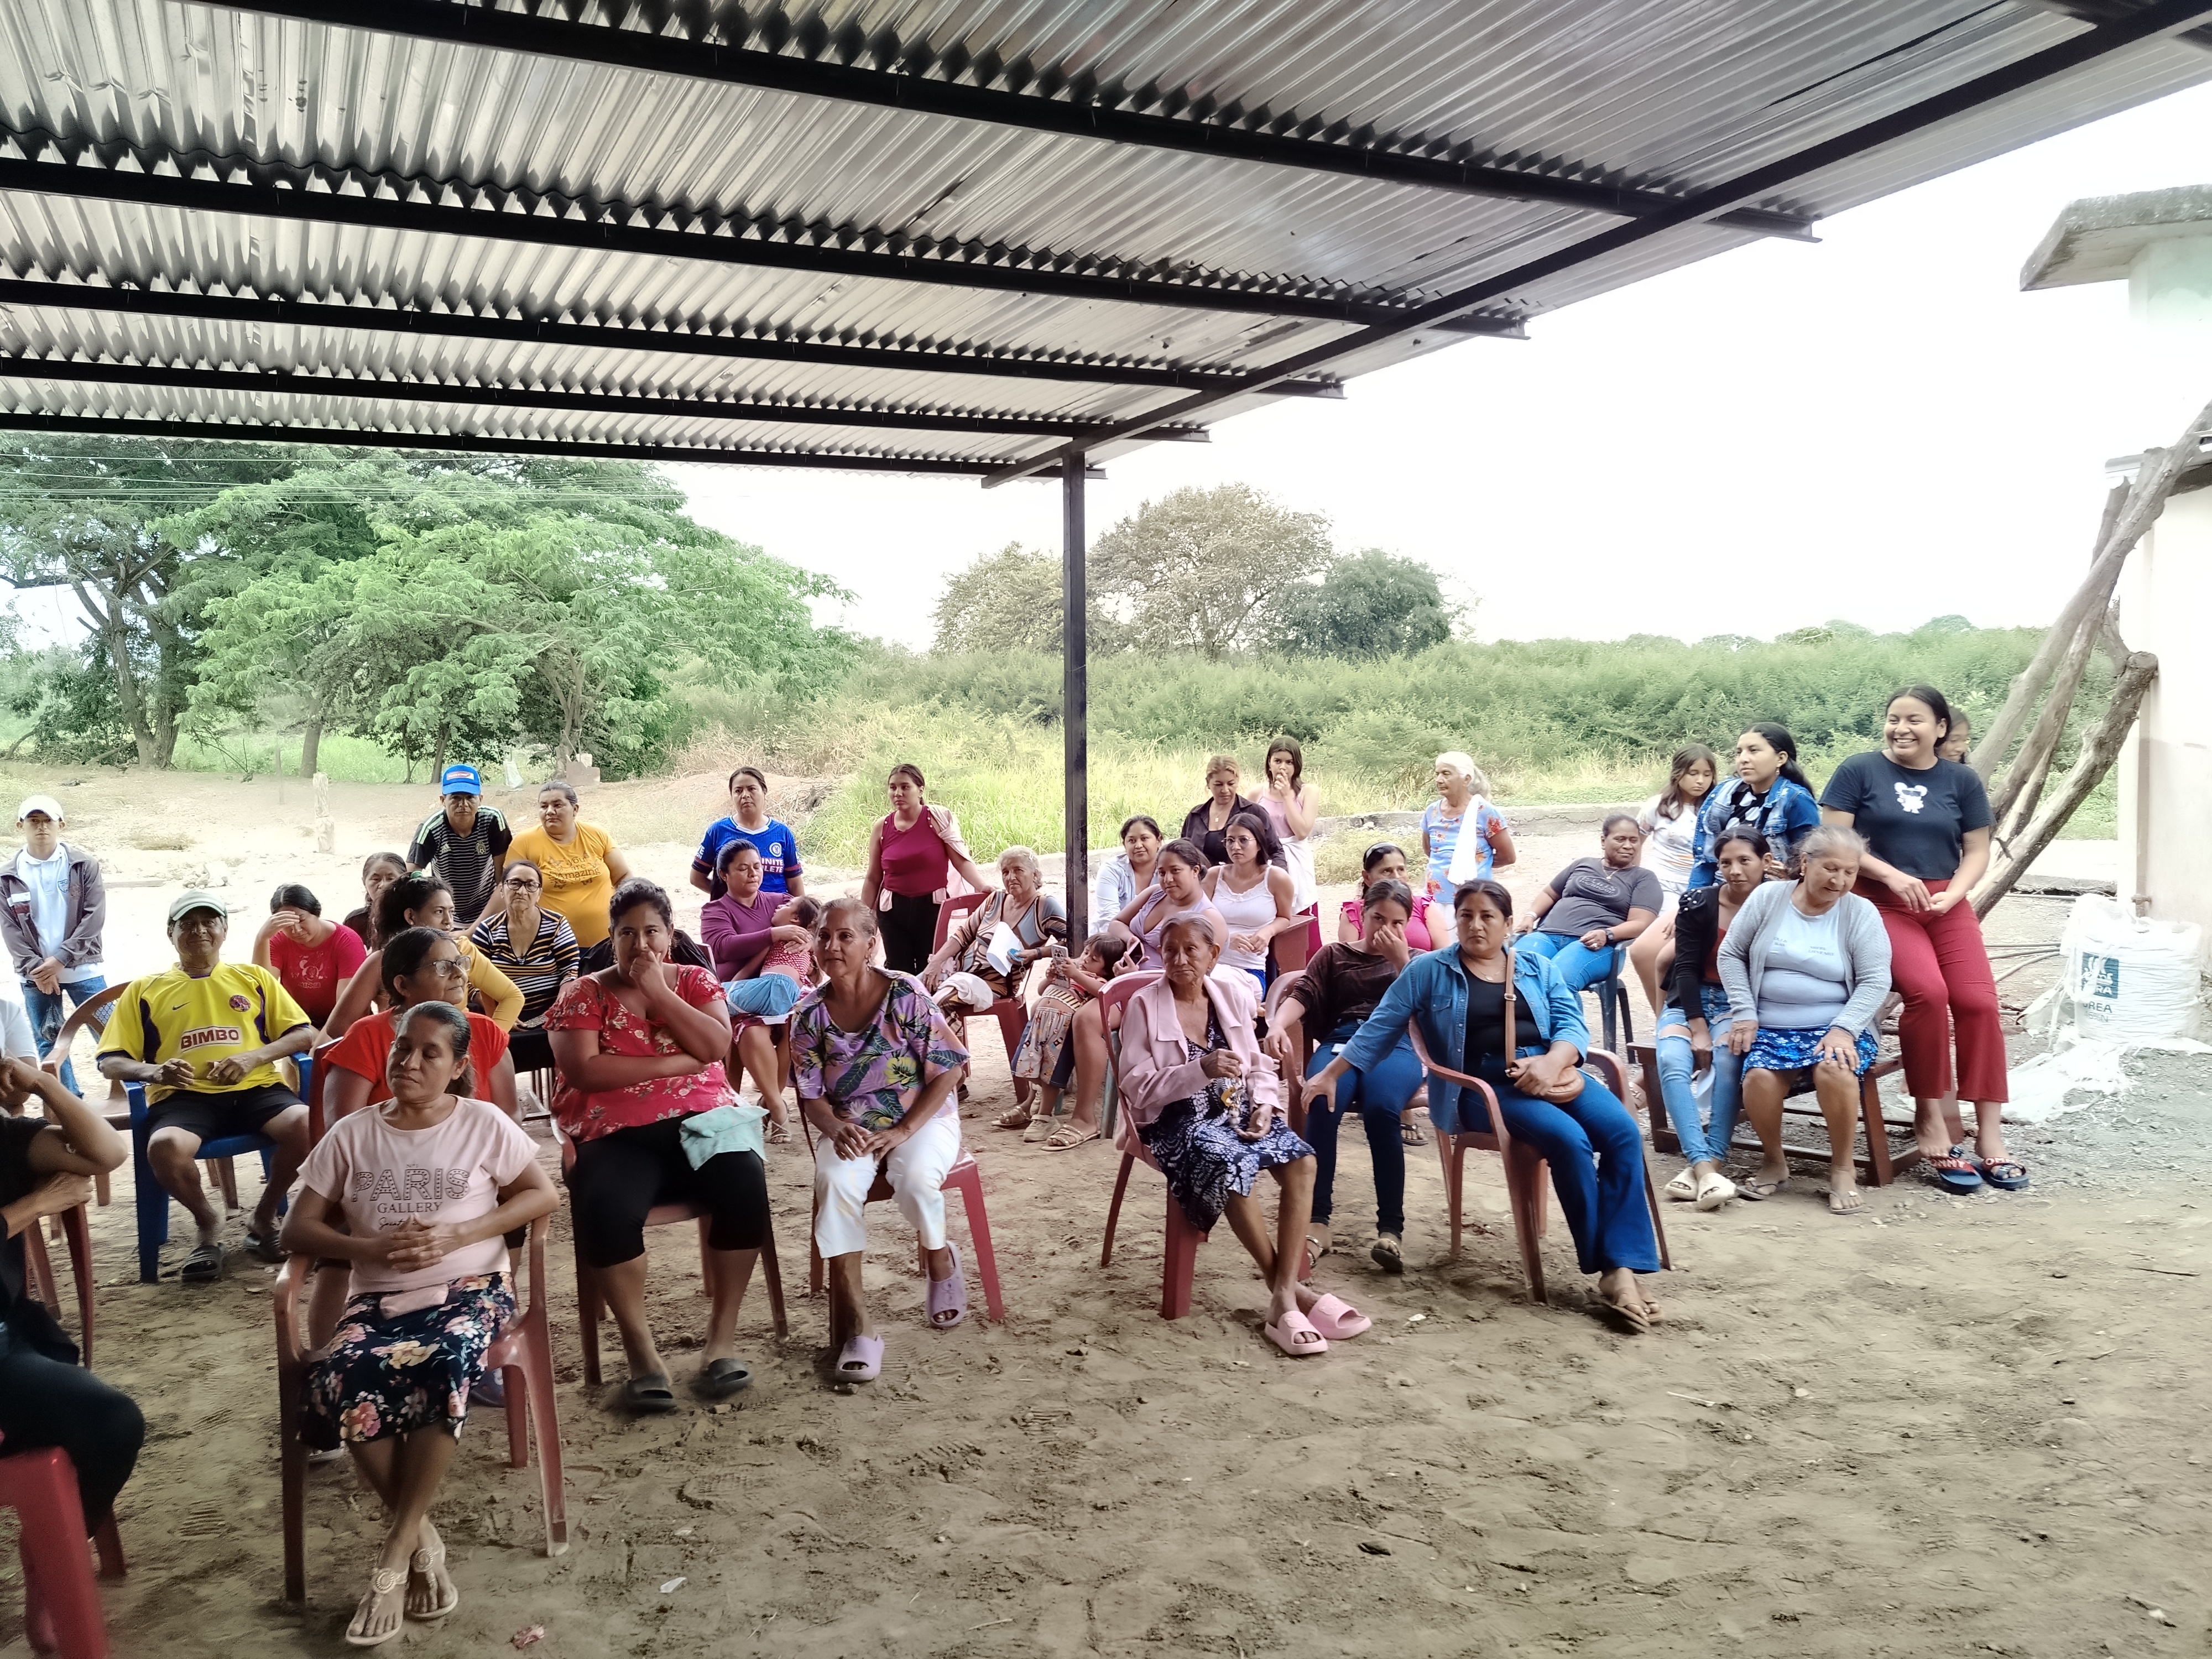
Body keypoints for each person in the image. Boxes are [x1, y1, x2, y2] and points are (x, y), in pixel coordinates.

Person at [280, 1000, 559, 1646]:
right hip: (379, 1294)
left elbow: (541, 1194)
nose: (408, 1061)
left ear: (458, 1066)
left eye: (430, 1053)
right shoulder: (352, 1134)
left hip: (471, 1289)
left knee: (445, 1360)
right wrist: (369, 1248)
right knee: (342, 1373)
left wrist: (462, 1233)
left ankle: (394, 1550)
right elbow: (298, 1228)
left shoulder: (482, 1122)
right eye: (402, 1047)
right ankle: (422, 1537)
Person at [1317, 878, 1662, 1331]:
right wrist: (1330, 1074)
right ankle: (1612, 1271)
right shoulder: (1428, 971)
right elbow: (1379, 1027)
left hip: (1552, 1072)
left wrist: (1551, 1062)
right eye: (1466, 916)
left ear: (1507, 923)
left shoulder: (1537, 966)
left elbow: (1571, 1025)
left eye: (1487, 917)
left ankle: (1622, 1264)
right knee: (1569, 1140)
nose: (1475, 926)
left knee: (1622, 1133)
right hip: (1482, 1090)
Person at [546, 880, 768, 1411]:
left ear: (670, 935)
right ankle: (643, 1356)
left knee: (745, 1184)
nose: (640, 944)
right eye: (627, 933)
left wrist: (661, 994)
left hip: (704, 1125)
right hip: (618, 1135)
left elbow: (716, 1045)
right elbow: (585, 1070)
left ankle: (720, 1342)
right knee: (604, 1205)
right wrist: (676, 1063)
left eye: (651, 932)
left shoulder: (692, 980)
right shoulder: (583, 993)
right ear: (611, 937)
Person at [1116, 916, 1369, 1357]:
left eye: (1191, 950)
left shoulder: (1231, 995)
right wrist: (1199, 1069)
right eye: (1170, 950)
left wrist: (1267, 1105)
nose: (1179, 960)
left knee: (1303, 1161)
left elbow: (1257, 1066)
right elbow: (1135, 1087)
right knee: (1229, 1164)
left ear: (1213, 955)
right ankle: (1289, 1294)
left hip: (1238, 1111)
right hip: (1177, 1121)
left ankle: (1284, 1294)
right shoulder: (1144, 1005)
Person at [1819, 685, 2021, 1192]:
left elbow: (1977, 849)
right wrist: (1891, 875)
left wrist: (1956, 892)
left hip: (1944, 903)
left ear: (1940, 728)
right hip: (1879, 903)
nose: (1901, 728)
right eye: (1894, 718)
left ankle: (1990, 1133)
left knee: (1978, 1002)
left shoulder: (1961, 780)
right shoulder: (1858, 770)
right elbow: (1835, 841)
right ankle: (1930, 1116)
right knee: (1928, 994)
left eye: (1914, 720)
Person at [791, 898, 971, 1383]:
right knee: (835, 1185)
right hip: (852, 1124)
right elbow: (811, 1097)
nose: (832, 945)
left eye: (845, 936)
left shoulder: (904, 993)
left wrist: (904, 1131)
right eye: (824, 936)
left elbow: (948, 1070)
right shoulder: (808, 1014)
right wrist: (835, 1129)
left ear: (871, 944)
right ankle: (860, 1327)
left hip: (920, 1116)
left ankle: (939, 1257)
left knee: (915, 1178)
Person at [96, 891, 314, 1280]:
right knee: (165, 1147)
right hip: (184, 1098)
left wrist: (252, 1058)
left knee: (308, 1125)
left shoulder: (253, 978)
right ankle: (207, 1224)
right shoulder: (146, 989)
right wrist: (155, 1072)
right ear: (170, 933)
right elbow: (110, 1061)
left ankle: (264, 1217)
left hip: (256, 1088)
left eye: (209, 922)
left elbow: (303, 1034)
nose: (199, 931)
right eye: (188, 924)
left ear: (224, 930)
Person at [0, 1057, 142, 1558]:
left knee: (114, 1422)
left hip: (7, 1343)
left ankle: (54, 1553)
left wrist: (43, 1083)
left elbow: (108, 1153)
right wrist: (35, 1206)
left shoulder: (5, 1139)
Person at [1718, 826, 1895, 1214]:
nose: (1840, 880)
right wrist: (1744, 1012)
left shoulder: (1860, 913)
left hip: (1840, 1024)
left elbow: (1876, 979)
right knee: (1760, 1078)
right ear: (1804, 862)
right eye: (1831, 868)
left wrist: (1844, 1030)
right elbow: (1731, 953)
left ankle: (1843, 1168)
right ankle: (1774, 1161)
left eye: (1850, 872)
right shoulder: (1768, 897)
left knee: (1835, 1068)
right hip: (1771, 1023)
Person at [1266, 879, 1422, 1274]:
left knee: (1383, 1109)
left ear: (1408, 924)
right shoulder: (1334, 954)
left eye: (1397, 922)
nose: (1386, 929)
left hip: (1396, 1046)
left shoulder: (1418, 961)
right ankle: (1318, 1220)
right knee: (1321, 1100)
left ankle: (1391, 1229)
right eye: (1378, 918)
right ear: (1362, 914)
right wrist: (1277, 1024)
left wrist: (1401, 962)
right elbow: (1302, 994)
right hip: (1342, 1041)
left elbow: (1428, 1011)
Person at [1033, 841, 1226, 1154]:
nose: (1167, 879)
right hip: (1120, 978)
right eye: (1161, 872)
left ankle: (1085, 1118)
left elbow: (1196, 977)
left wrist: (1136, 977)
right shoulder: (1155, 894)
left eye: (1175, 871)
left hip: (1162, 994)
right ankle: (1039, 1104)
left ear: (1196, 871)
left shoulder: (1208, 918)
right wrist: (1131, 940)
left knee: (1088, 1018)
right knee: (1052, 1003)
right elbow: (1116, 923)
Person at [1653, 828, 1767, 1211]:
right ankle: (1705, 1167)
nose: (1735, 871)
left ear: (1765, 862)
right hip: (1690, 999)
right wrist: (1698, 1028)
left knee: (1728, 1059)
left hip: (1739, 1005)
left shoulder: (1776, 902)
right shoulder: (1699, 902)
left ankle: (1707, 1166)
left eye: (1745, 861)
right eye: (1725, 863)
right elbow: (1685, 968)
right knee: (1671, 1059)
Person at [322, 930, 518, 1123]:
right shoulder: (366, 1036)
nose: (459, 974)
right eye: (443, 967)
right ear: (403, 985)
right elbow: (343, 1128)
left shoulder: (485, 1030)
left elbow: (509, 1115)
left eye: (460, 963)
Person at [327, 874, 525, 1037]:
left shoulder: (463, 950)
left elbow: (512, 996)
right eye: (439, 912)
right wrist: (392, 1053)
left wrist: (487, 1045)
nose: (449, 921)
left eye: (451, 912)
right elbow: (338, 1026)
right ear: (411, 916)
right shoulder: (383, 961)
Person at [1, 796, 107, 1095]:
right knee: (49, 1041)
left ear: (62, 825)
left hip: (84, 968)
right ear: (20, 826)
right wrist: (38, 969)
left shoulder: (83, 865)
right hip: (36, 976)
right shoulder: (7, 876)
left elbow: (93, 917)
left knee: (111, 1033)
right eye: (33, 821)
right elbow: (10, 929)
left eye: (48, 820)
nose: (42, 827)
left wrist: (60, 959)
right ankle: (70, 1106)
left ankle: (135, 1096)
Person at [921, 845, 1067, 1044]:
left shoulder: (1045, 906)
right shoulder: (996, 899)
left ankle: (950, 1062)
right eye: (1006, 872)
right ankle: (911, 1058)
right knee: (908, 994)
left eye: (1018, 870)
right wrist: (936, 962)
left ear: (1035, 875)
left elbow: (1071, 942)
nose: (1011, 877)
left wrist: (1036, 953)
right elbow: (963, 934)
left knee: (940, 1003)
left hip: (993, 984)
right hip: (957, 971)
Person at [858, 764, 988, 976]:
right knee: (899, 973)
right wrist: (861, 916)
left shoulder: (937, 820)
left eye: (905, 787)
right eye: (893, 787)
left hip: (932, 909)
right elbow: (873, 877)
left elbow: (962, 862)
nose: (898, 793)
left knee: (930, 969)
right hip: (892, 911)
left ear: (920, 790)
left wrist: (983, 886)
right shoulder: (882, 827)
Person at [1514, 815, 1663, 993]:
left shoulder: (1644, 878)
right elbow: (1549, 893)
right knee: (1514, 969)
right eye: (1620, 839)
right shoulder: (1583, 864)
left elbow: (1640, 923)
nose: (1628, 846)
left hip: (1595, 946)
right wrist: (1530, 916)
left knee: (1558, 980)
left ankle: (1560, 1013)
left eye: (1634, 840)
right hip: (1547, 936)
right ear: (1603, 841)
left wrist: (1607, 934)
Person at [1007, 935, 1130, 1141]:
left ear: (1106, 970)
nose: (1086, 959)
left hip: (1059, 1032)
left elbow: (1102, 993)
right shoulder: (1072, 972)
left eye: (1094, 959)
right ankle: (1033, 1103)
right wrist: (1050, 978)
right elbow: (1041, 990)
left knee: (1049, 1073)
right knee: (1030, 1068)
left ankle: (1044, 1117)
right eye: (1086, 953)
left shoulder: (1097, 981)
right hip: (1041, 1028)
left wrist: (1077, 975)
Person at [721, 895, 822, 1142]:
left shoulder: (799, 937)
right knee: (747, 1019)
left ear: (796, 919)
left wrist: (810, 942)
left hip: (779, 989)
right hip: (777, 992)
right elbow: (743, 972)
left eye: (787, 906)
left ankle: (773, 1106)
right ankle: (774, 1106)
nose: (779, 906)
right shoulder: (775, 937)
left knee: (710, 997)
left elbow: (819, 940)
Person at [1629, 744, 1719, 1016]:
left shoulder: (1718, 808)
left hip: (1700, 890)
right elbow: (1636, 842)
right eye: (1693, 773)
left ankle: (1685, 1013)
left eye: (1707, 774)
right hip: (1662, 887)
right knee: (1656, 950)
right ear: (1678, 773)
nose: (1700, 781)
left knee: (1685, 955)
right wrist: (1634, 882)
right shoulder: (1659, 806)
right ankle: (1663, 1017)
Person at [468, 860, 579, 1077]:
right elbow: (474, 982)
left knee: (572, 1037)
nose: (522, 891)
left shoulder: (556, 924)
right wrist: (503, 1013)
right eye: (515, 883)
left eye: (530, 885)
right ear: (502, 890)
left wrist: (557, 1009)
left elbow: (570, 972)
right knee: (484, 1044)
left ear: (539, 893)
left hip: (550, 1010)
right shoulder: (487, 930)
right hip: (498, 1012)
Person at [1687, 723, 1821, 890]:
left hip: (1769, 895)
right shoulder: (1724, 793)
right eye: (1739, 752)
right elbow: (1705, 861)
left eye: (1753, 750)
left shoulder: (1795, 799)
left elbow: (1812, 861)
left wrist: (1792, 876)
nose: (1743, 759)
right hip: (1723, 893)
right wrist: (1694, 897)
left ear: (1781, 758)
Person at [508, 782, 633, 952]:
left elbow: (623, 876)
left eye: (557, 805)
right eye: (544, 806)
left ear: (575, 809)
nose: (550, 811)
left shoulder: (597, 835)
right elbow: (509, 890)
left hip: (607, 943)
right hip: (553, 947)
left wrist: (627, 913)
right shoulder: (525, 842)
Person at [1420, 753, 1514, 936]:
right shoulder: (1432, 812)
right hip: (1434, 898)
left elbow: (1508, 856)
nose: (1439, 780)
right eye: (1437, 774)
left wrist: (1474, 864)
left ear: (1466, 779)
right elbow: (1430, 850)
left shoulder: (1485, 812)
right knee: (1437, 948)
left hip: (1473, 899)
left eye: (1446, 774)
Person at [407, 765, 513, 928]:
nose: (463, 804)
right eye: (455, 798)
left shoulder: (493, 820)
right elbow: (410, 875)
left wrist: (475, 928)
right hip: (446, 915)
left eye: (470, 797)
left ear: (480, 799)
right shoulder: (430, 829)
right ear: (443, 800)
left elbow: (503, 879)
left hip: (490, 910)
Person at [253, 884, 367, 1032]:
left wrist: (320, 1040)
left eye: (301, 920)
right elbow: (261, 993)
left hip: (342, 1026)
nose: (296, 930)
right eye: (287, 924)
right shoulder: (277, 940)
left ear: (316, 912)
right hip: (297, 1022)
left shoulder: (346, 941)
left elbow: (347, 1013)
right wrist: (262, 938)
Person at [1202, 812, 1295, 990]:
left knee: (1233, 993)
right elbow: (1198, 920)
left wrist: (1268, 931)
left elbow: (1284, 917)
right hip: (1212, 964)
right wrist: (1226, 940)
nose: (1235, 847)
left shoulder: (1276, 878)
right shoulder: (1214, 876)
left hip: (1250, 968)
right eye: (1230, 841)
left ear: (1259, 843)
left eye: (1243, 840)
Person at [690, 766, 805, 902]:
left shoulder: (782, 833)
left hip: (776, 911)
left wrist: (803, 911)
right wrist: (728, 899)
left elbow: (795, 884)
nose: (745, 795)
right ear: (732, 796)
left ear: (764, 791)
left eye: (752, 789)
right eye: (738, 791)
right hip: (733, 913)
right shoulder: (718, 831)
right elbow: (696, 878)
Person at [1258, 737, 1322, 952]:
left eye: (1289, 762)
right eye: (1278, 761)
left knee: (1302, 918)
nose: (1283, 767)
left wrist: (1287, 796)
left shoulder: (1308, 792)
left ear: (1297, 765)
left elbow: (1302, 831)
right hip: (1267, 860)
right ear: (1269, 763)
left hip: (1296, 858)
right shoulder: (1257, 793)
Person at [1178, 755, 1286, 870]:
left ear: (1237, 781)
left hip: (1245, 879)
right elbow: (1182, 854)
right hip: (1203, 880)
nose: (1225, 790)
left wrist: (1276, 876)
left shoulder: (1255, 812)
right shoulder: (1195, 816)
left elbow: (1276, 851)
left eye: (1231, 784)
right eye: (1218, 784)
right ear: (1208, 783)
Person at [700, 841, 785, 983]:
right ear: (724, 875)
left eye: (757, 867)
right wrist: (774, 935)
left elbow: (816, 926)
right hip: (733, 990)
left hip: (782, 985)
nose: (753, 874)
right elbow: (723, 947)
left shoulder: (783, 903)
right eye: (743, 869)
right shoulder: (715, 911)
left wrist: (810, 945)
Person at [1337, 843, 1436, 953]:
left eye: (1401, 869)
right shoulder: (1354, 911)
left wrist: (1403, 960)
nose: (1396, 877)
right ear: (1367, 877)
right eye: (1387, 871)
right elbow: (1348, 958)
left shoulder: (1424, 906)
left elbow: (1442, 957)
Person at [1091, 815, 1163, 926]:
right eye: (1132, 841)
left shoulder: (1170, 871)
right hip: (1113, 934)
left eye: (1144, 838)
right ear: (1124, 845)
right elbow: (1108, 918)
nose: (1138, 845)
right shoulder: (1112, 870)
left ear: (1158, 841)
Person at [342, 853, 409, 951]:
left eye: (391, 879)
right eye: (376, 879)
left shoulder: (413, 919)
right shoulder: (355, 922)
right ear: (364, 883)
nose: (383, 885)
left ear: (404, 880)